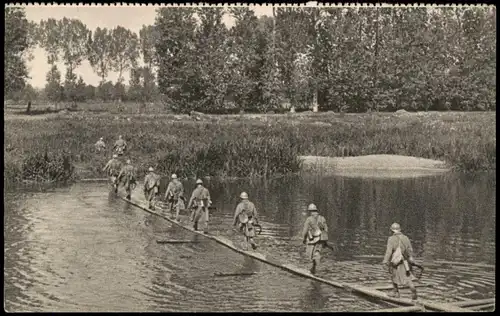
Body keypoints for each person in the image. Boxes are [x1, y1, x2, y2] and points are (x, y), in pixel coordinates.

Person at [382, 223, 418, 301]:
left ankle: (396, 292)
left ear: (392, 230)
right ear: (400, 230)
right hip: (405, 261)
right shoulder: (406, 238)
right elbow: (410, 250)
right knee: (408, 277)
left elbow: (389, 252)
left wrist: (385, 261)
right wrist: (410, 259)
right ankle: (413, 290)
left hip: (396, 261)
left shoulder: (391, 239)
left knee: (393, 274)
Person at [301, 203, 328, 275]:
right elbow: (326, 229)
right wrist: (325, 241)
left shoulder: (309, 219)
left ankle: (314, 267)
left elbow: (305, 230)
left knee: (311, 253)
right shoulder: (322, 218)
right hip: (322, 238)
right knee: (317, 251)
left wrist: (303, 238)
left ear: (310, 211)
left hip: (314, 239)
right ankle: (314, 267)